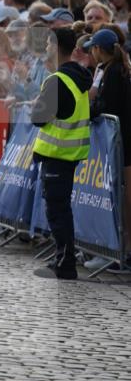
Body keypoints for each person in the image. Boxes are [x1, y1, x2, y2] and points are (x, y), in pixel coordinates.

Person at [32, 27, 92, 280]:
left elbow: (38, 117)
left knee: (58, 212)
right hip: (70, 154)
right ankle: (63, 259)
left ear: (56, 47)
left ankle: (65, 264)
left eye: (48, 44)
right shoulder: (79, 78)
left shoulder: (57, 80)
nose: (46, 48)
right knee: (61, 210)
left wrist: (36, 104)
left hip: (57, 154)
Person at [82, 28, 131, 265]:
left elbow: (106, 105)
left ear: (98, 49)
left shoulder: (114, 72)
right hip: (120, 140)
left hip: (123, 142)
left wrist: (87, 112)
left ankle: (119, 250)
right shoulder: (112, 69)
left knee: (122, 196)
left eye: (92, 48)